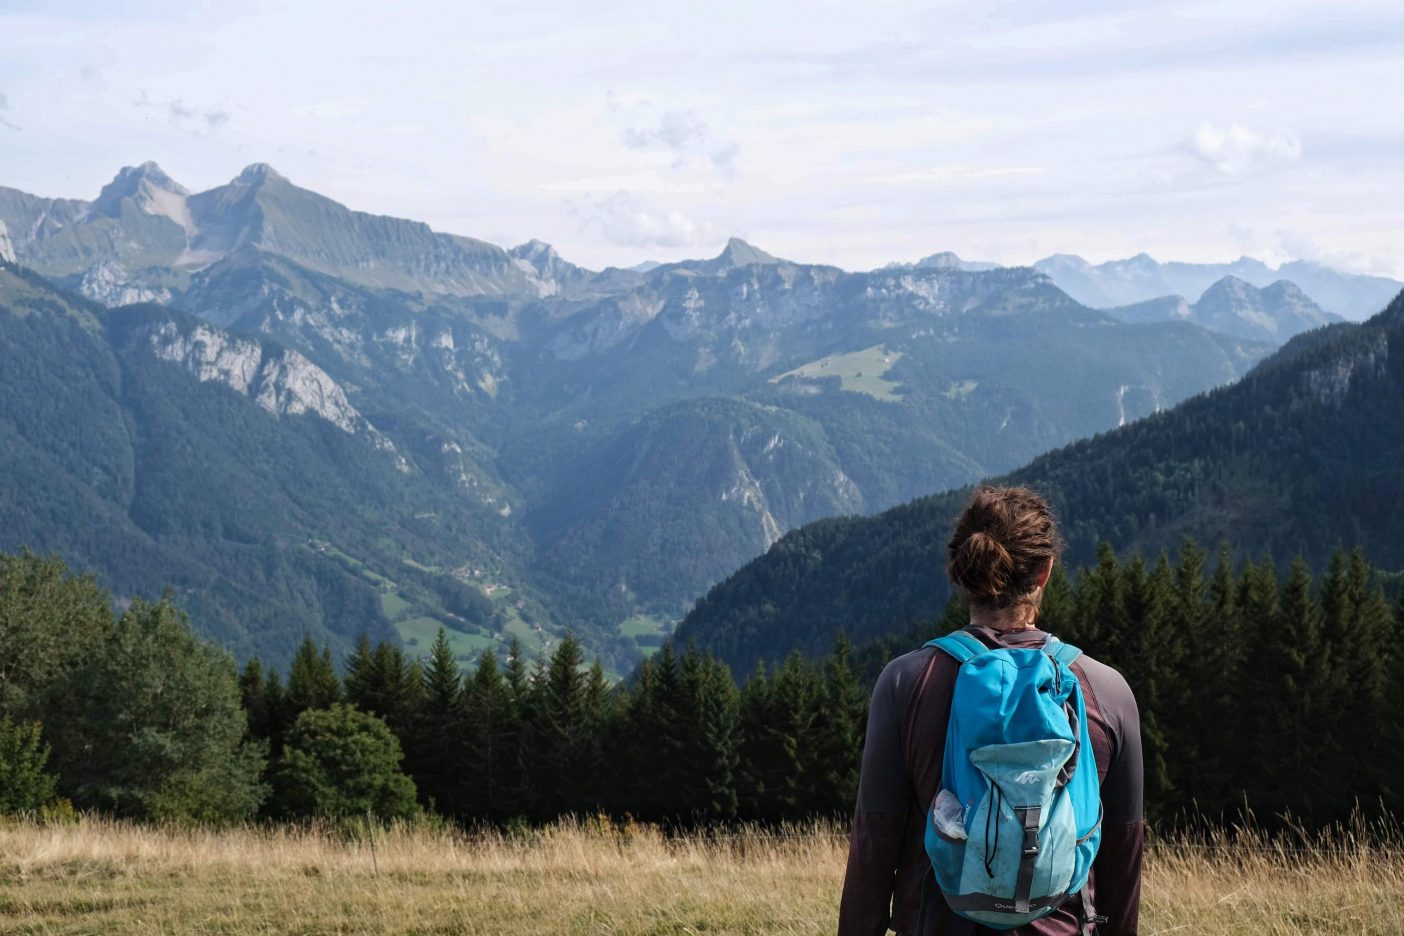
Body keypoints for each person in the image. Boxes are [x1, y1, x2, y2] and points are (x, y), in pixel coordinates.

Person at [838, 485, 1143, 936]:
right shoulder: (1106, 691)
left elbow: (873, 847)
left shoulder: (906, 683)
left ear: (963, 570)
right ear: (1045, 572)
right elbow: (1123, 859)